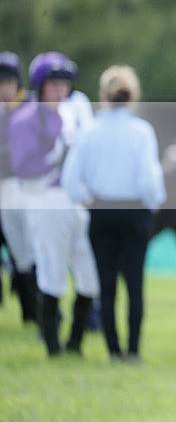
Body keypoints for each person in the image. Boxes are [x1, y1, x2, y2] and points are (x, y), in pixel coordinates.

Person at [62, 65, 166, 364]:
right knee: (134, 285)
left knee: (106, 287)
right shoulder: (140, 131)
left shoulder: (90, 131)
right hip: (134, 212)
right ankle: (133, 352)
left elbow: (71, 179)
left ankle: (113, 351)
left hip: (101, 211)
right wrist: (153, 204)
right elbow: (149, 179)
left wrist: (85, 200)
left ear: (104, 95)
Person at [8, 51, 100, 357]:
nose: (59, 89)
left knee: (88, 277)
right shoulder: (26, 118)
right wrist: (56, 160)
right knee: (52, 274)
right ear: (40, 85)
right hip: (45, 200)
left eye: (64, 83)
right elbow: (23, 168)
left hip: (74, 201)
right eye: (53, 83)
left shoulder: (70, 113)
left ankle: (75, 343)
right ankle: (52, 346)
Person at [0, 50, 37, 318]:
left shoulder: (32, 109)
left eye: (7, 81)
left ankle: (31, 311)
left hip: (24, 191)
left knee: (27, 255)